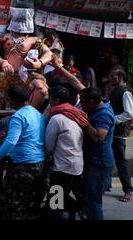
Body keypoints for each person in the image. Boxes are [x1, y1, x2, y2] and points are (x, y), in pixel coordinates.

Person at [0, 85, 47, 220]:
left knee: (13, 205)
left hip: (22, 166)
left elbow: (10, 142)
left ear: (13, 100)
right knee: (28, 204)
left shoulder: (18, 116)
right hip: (39, 164)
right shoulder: (38, 114)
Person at [45, 85, 89, 220]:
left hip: (62, 167)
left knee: (55, 204)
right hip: (76, 165)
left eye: (50, 99)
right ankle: (76, 210)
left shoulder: (57, 118)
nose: (48, 101)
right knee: (61, 196)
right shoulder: (76, 113)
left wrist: (46, 157)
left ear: (56, 100)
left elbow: (48, 146)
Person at [79, 87, 116, 220]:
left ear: (92, 101)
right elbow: (76, 83)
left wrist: (85, 122)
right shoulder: (95, 107)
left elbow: (99, 137)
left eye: (82, 100)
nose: (80, 103)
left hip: (100, 162)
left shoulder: (103, 114)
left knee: (94, 200)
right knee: (88, 198)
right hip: (93, 160)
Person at [108, 69, 133, 202]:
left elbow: (129, 113)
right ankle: (107, 184)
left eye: (113, 76)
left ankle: (128, 190)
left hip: (119, 132)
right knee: (109, 158)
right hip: (114, 131)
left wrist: (114, 119)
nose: (110, 78)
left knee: (121, 162)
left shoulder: (125, 92)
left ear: (120, 77)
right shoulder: (115, 91)